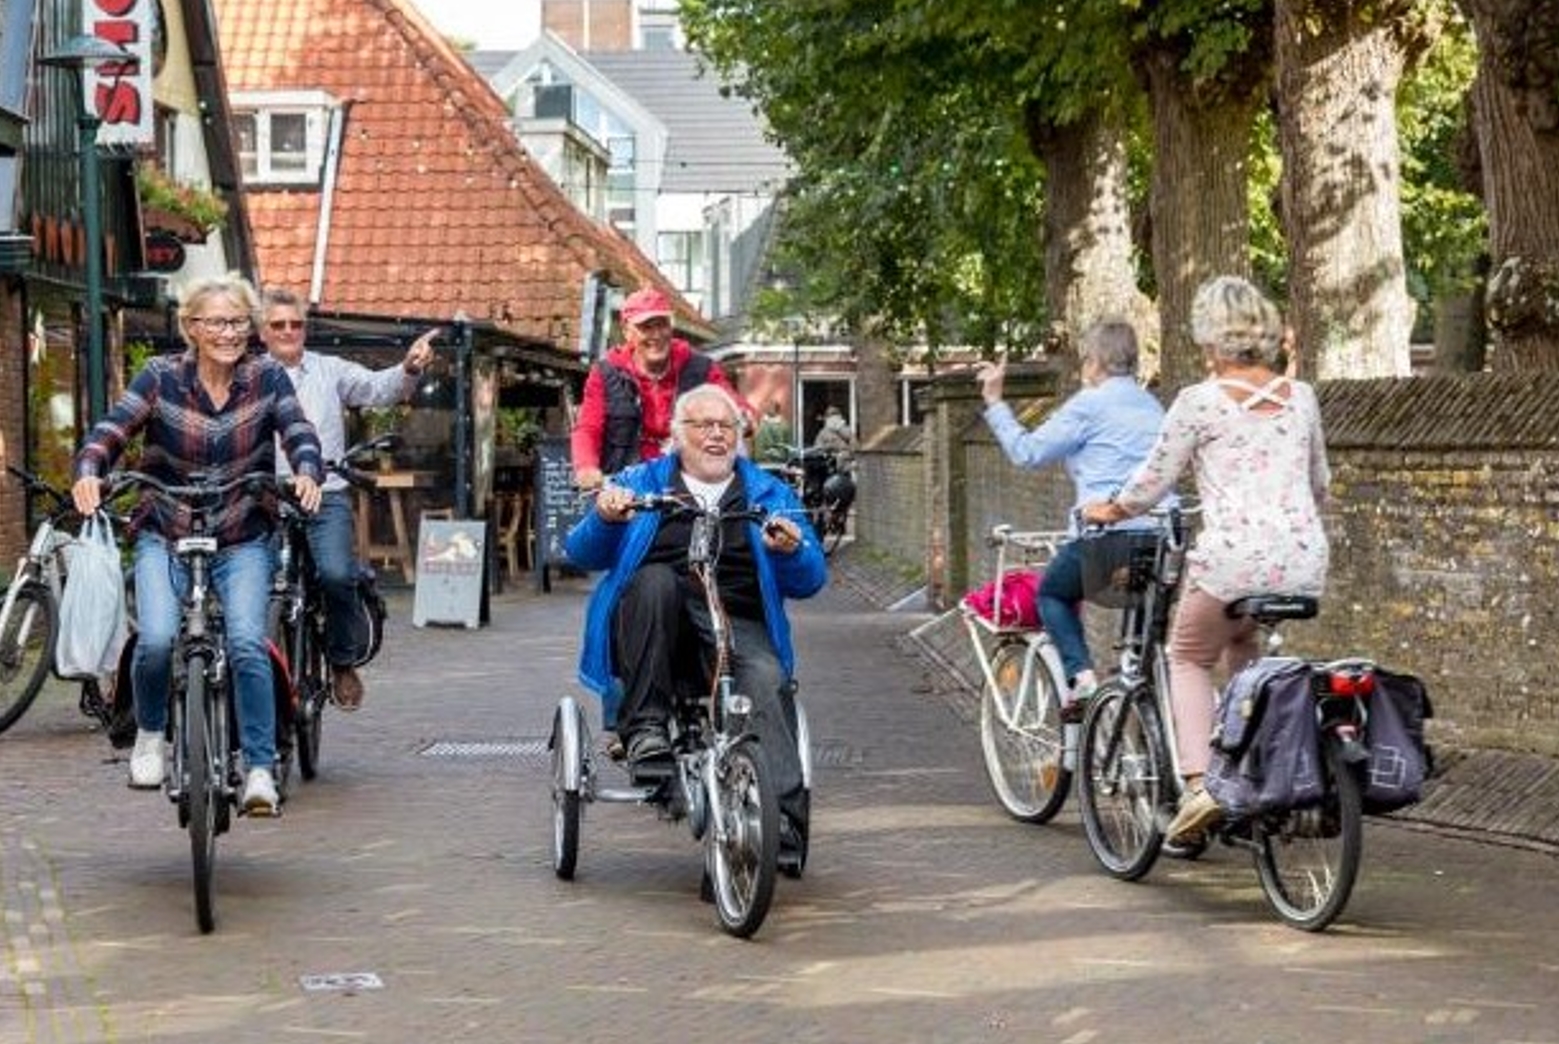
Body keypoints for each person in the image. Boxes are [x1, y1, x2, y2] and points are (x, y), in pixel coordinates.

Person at [1080, 275, 1330, 845]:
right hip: (1301, 557)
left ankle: (1199, 787)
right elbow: (1320, 484)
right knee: (1240, 642)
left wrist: (1112, 509)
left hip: (1231, 558)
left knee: (1188, 656)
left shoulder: (1200, 402)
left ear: (1211, 342)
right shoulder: (1304, 398)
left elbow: (1152, 481)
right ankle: (1253, 770)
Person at [71, 274, 324, 816]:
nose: (228, 333)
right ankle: (149, 733)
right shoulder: (161, 377)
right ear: (192, 327)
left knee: (248, 643)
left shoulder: (267, 377)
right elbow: (112, 430)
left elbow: (297, 429)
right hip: (167, 528)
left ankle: (258, 767)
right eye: (216, 322)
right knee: (158, 638)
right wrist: (91, 470)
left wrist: (306, 469)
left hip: (242, 532)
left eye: (237, 322)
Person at [566, 383, 827, 860]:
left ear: (739, 435)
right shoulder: (642, 481)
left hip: (735, 618)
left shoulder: (770, 493)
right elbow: (580, 552)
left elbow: (811, 579)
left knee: (768, 678)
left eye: (725, 426)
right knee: (653, 581)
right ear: (676, 435)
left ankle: (784, 820)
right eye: (702, 425)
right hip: (657, 623)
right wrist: (606, 517)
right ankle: (644, 732)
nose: (715, 435)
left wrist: (790, 552)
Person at [259, 287, 437, 710]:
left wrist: (409, 368)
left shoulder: (329, 370)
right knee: (257, 582)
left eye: (296, 324)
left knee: (338, 575)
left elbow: (378, 388)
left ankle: (341, 661)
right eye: (278, 325)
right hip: (266, 496)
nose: (288, 331)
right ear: (262, 331)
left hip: (325, 492)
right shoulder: (248, 376)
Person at [973, 320, 1166, 708]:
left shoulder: (1088, 405)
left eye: (1084, 361)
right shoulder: (1153, 405)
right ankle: (1143, 715)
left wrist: (995, 401)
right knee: (1143, 648)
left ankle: (1082, 678)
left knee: (1053, 595)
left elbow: (1027, 453)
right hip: (1160, 539)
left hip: (1106, 537)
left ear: (1094, 362)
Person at [570, 286, 748, 490]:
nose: (656, 334)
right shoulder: (606, 373)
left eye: (662, 325)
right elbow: (588, 428)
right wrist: (586, 468)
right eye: (646, 327)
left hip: (688, 484)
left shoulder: (700, 368)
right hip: (626, 486)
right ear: (627, 331)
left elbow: (731, 403)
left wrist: (744, 415)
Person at [753, 398, 794, 464]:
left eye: (771, 406)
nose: (769, 408)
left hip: (779, 460)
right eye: (768, 406)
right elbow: (758, 443)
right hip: (764, 460)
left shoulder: (784, 425)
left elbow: (788, 443)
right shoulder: (762, 423)